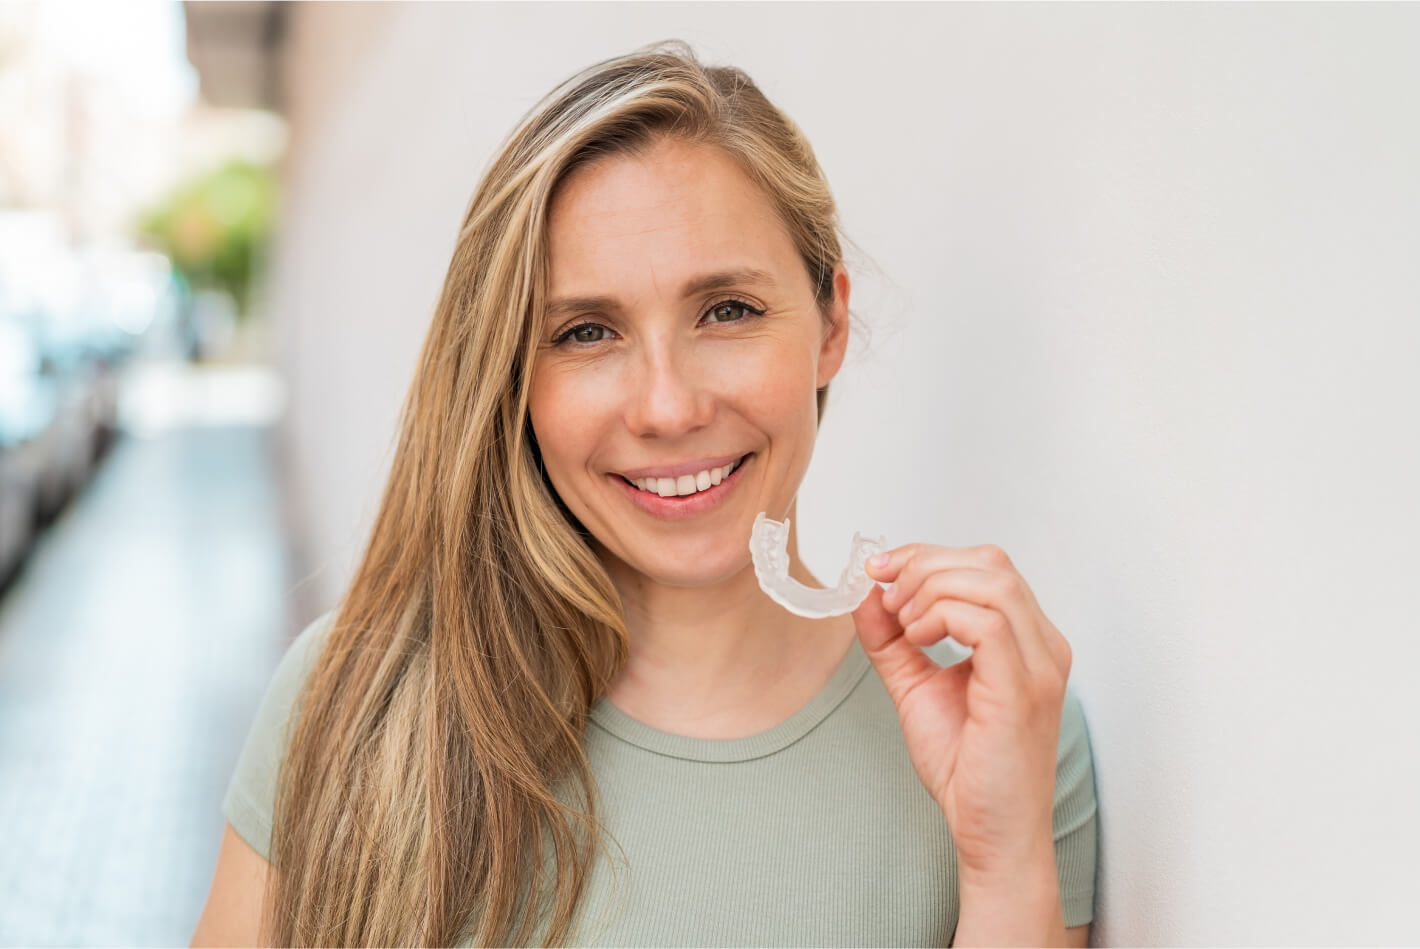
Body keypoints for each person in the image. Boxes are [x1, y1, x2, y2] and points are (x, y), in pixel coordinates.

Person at [191, 39, 1098, 948]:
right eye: (587, 332)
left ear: (830, 323)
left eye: (728, 310)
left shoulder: (996, 728)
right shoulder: (353, 701)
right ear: (513, 379)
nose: (668, 406)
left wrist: (1004, 857)